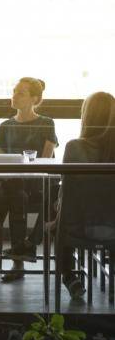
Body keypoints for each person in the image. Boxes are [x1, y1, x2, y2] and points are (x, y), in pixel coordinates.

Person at [0, 78, 58, 283]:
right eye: (14, 91)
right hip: (13, 186)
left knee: (15, 189)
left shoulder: (46, 123)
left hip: (38, 184)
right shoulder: (5, 126)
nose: (14, 96)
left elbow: (45, 162)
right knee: (15, 190)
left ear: (34, 99)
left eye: (20, 93)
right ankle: (18, 260)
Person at [58, 91, 115, 300]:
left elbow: (67, 193)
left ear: (87, 117)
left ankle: (69, 275)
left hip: (79, 228)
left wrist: (55, 219)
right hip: (113, 227)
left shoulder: (74, 147)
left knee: (59, 214)